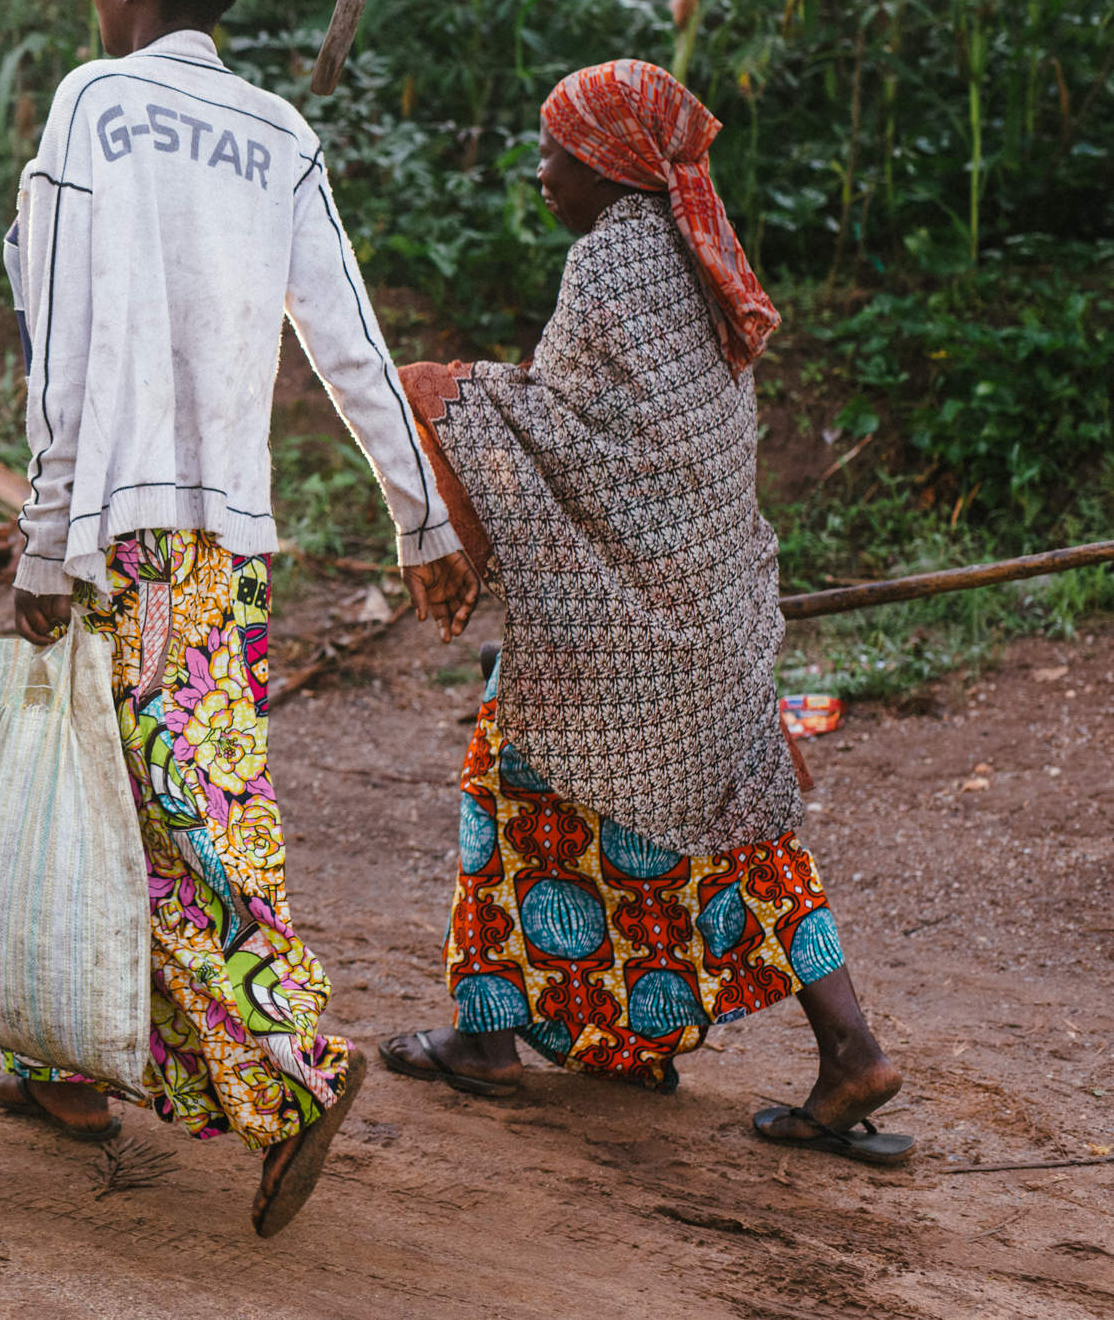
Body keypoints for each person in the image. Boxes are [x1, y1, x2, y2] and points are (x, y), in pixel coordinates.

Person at [0, 0, 483, 1236]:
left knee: (169, 808)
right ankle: (71, 1057)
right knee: (130, 783)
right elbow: (350, 340)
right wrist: (423, 517)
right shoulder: (280, 132)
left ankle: (292, 1061)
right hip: (228, 538)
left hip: (119, 534)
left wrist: (45, 536)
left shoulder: (96, 101)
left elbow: (66, 341)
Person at [383, 58, 910, 1166]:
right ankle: (839, 1045)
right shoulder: (698, 258)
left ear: (607, 162)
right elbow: (634, 448)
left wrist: (453, 396)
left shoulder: (607, 264)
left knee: (504, 780)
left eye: (553, 154)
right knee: (742, 837)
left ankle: (490, 1040)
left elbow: (565, 440)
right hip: (709, 618)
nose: (538, 176)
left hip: (624, 634)